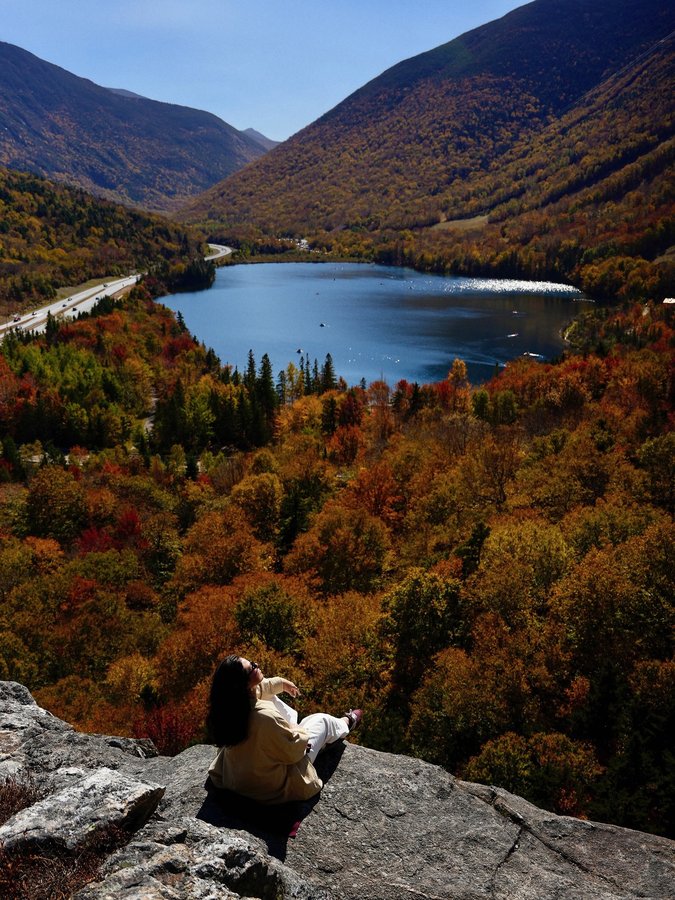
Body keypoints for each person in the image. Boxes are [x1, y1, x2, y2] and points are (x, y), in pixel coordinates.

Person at [206, 655, 362, 805]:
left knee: (271, 698)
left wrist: (281, 683)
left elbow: (261, 689)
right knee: (321, 721)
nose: (257, 665)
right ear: (244, 684)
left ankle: (295, 728)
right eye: (252, 667)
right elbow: (293, 752)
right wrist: (296, 732)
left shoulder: (230, 707)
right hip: (268, 787)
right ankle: (346, 723)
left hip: (237, 779)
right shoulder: (264, 717)